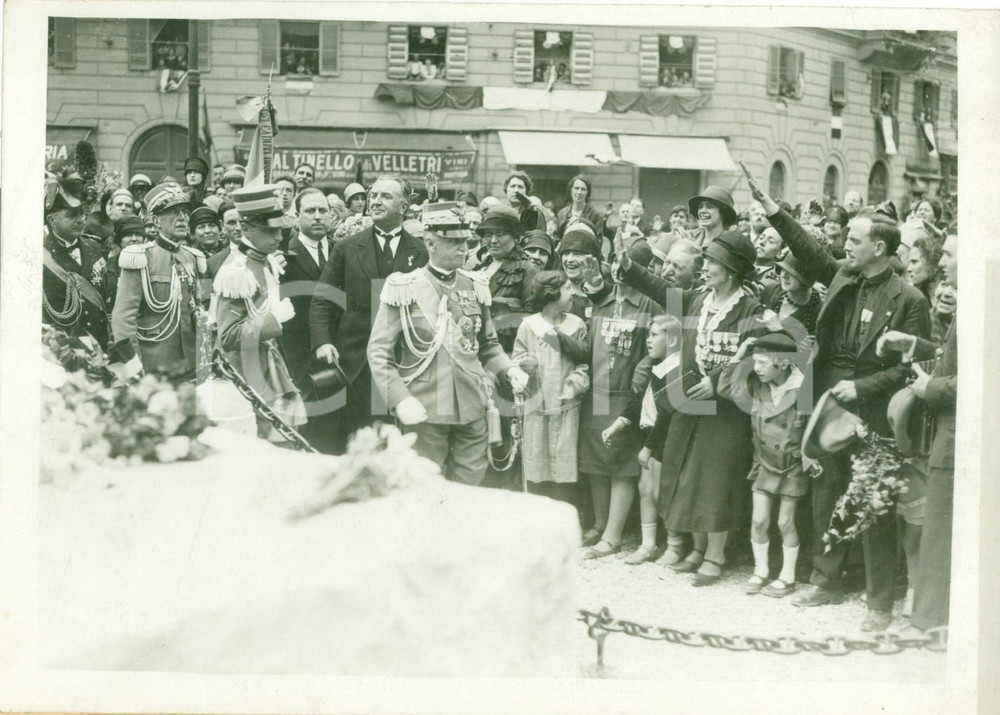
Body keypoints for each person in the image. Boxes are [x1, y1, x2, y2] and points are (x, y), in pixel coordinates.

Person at [745, 164, 931, 631]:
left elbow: (913, 367)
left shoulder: (910, 300)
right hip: (830, 398)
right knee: (827, 490)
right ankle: (825, 581)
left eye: (854, 239)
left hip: (874, 409)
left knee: (871, 502)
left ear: (879, 249)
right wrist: (773, 210)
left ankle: (879, 602)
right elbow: (810, 251)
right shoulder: (847, 275)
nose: (845, 245)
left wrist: (864, 387)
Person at [618, 229, 762, 585]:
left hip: (724, 409)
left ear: (730, 270)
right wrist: (628, 266)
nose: (706, 268)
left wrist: (717, 380)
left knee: (715, 479)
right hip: (689, 403)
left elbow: (753, 355)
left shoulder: (749, 308)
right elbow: (658, 289)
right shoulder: (699, 299)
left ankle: (715, 555)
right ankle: (697, 550)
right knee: (688, 475)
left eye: (712, 262)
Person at [367, 202, 529, 485]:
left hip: (473, 403)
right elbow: (378, 351)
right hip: (424, 406)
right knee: (424, 486)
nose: (463, 248)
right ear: (430, 242)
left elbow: (487, 344)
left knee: (471, 483)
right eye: (453, 242)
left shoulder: (474, 285)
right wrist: (400, 398)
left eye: (465, 241)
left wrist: (509, 369)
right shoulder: (404, 288)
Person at [310, 175, 428, 452]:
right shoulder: (347, 247)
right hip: (354, 363)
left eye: (385, 196)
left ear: (404, 206)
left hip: (402, 364)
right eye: (373, 195)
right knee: (358, 440)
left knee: (399, 441)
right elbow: (322, 300)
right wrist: (323, 341)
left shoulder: (420, 251)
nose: (375, 201)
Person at [876, 233, 957, 633]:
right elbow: (947, 357)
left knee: (937, 529)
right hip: (940, 435)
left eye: (949, 253)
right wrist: (912, 343)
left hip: (955, 438)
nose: (942, 260)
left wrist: (933, 389)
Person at [579, 240, 662, 559]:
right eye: (616, 263)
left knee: (621, 467)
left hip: (626, 395)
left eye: (627, 265)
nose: (620, 270)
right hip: (597, 393)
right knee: (596, 462)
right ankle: (600, 526)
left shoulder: (650, 304)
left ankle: (613, 537)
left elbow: (656, 350)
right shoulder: (603, 298)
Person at [719, 331, 813, 598]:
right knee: (758, 520)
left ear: (782, 364)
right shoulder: (758, 385)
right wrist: (740, 355)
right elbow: (725, 388)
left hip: (792, 466)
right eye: (755, 362)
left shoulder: (804, 387)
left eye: (762, 363)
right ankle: (760, 571)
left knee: (785, 522)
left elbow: (814, 428)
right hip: (764, 464)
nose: (756, 368)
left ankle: (788, 577)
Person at [213, 184, 307, 443]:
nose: (278, 237)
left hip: (272, 371)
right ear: (246, 229)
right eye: (270, 230)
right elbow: (228, 336)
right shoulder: (236, 272)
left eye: (280, 229)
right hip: (249, 379)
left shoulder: (265, 260)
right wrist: (274, 319)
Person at [601, 313, 682, 564]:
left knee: (661, 493)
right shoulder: (655, 367)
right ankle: (648, 544)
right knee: (646, 490)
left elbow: (667, 415)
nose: (649, 340)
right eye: (649, 334)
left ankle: (676, 546)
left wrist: (648, 447)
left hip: (664, 439)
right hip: (649, 434)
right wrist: (617, 424)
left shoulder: (676, 370)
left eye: (655, 335)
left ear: (671, 341)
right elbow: (638, 404)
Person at [111, 182, 208, 379]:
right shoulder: (140, 258)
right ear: (155, 221)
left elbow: (199, 310)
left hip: (190, 367)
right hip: (153, 368)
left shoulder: (193, 258)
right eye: (173, 212)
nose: (182, 218)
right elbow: (123, 318)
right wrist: (134, 368)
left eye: (185, 212)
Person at [512, 270, 590, 501]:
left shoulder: (576, 325)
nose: (572, 293)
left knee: (564, 471)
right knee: (537, 470)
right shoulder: (529, 326)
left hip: (566, 410)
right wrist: (524, 366)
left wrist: (574, 383)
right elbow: (516, 362)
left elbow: (584, 364)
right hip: (537, 411)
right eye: (567, 289)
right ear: (551, 294)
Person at [42, 174, 112, 347]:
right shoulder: (40, 256)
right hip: (63, 346)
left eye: (82, 213)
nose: (80, 220)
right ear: (52, 220)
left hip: (100, 341)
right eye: (71, 215)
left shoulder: (94, 246)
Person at [686, 185, 738, 249]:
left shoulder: (731, 243)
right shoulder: (690, 236)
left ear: (723, 212)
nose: (702, 211)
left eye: (709, 206)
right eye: (700, 207)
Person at [554, 175, 604, 242]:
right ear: (571, 189)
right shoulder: (562, 214)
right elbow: (557, 238)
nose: (579, 192)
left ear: (587, 192)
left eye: (583, 189)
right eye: (576, 188)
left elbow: (598, 241)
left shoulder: (595, 216)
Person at [502, 171, 546, 235]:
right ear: (506, 190)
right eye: (512, 186)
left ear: (526, 191)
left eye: (520, 187)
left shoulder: (535, 213)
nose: (516, 190)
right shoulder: (501, 212)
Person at [207, 202, 242, 278]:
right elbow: (205, 289)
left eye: (242, 222)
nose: (238, 228)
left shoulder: (267, 257)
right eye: (232, 223)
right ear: (222, 226)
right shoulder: (211, 263)